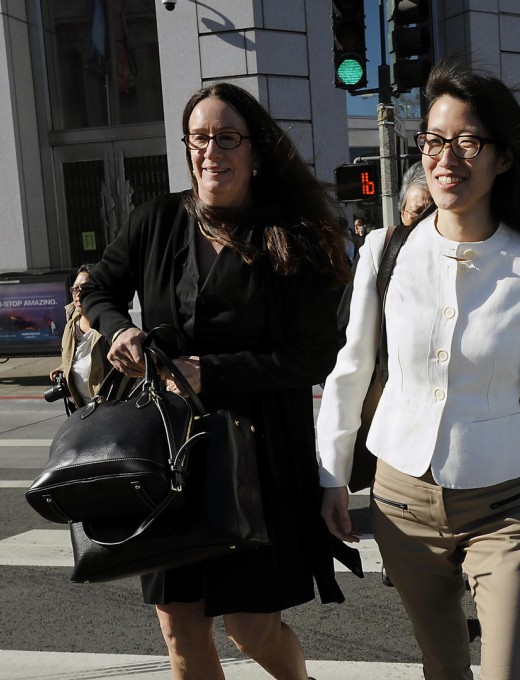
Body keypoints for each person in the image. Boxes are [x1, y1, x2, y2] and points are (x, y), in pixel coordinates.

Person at [81, 81, 350, 680]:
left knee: (252, 629)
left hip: (258, 457)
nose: (211, 152)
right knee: (179, 629)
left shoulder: (292, 235)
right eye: (199, 139)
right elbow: (99, 288)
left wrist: (214, 371)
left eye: (227, 138)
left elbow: (313, 356)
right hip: (171, 456)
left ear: (255, 150)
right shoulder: (156, 220)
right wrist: (118, 329)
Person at [317, 59, 520, 680]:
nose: (446, 159)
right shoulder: (385, 251)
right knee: (444, 667)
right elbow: (351, 369)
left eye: (467, 142)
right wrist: (329, 477)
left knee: (510, 671)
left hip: (505, 505)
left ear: (502, 157)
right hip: (401, 501)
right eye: (434, 141)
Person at [49, 265, 111, 407]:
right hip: (82, 407)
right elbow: (76, 355)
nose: (77, 294)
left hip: (109, 409)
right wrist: (65, 366)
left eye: (84, 289)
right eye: (75, 289)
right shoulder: (71, 323)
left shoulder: (108, 325)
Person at [399, 161, 434, 226]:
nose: (425, 220)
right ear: (402, 214)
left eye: (432, 212)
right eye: (417, 212)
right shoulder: (383, 235)